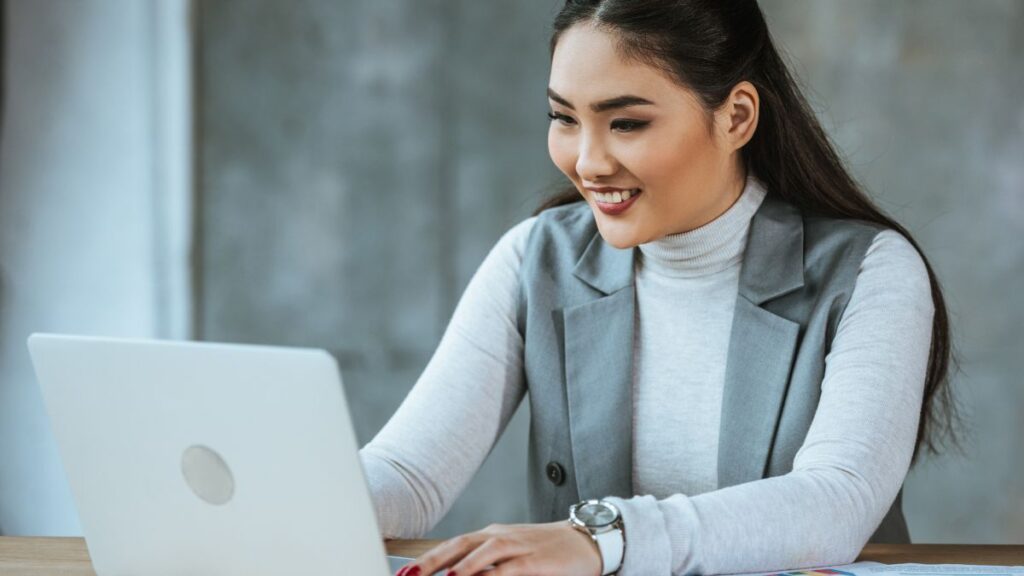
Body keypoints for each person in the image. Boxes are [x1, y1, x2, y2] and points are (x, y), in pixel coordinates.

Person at [359, 1, 957, 575]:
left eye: (627, 123)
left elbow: (837, 502)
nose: (588, 162)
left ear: (737, 117)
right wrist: (288, 503)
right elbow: (408, 474)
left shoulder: (869, 271)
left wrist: (599, 539)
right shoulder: (536, 257)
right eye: (565, 118)